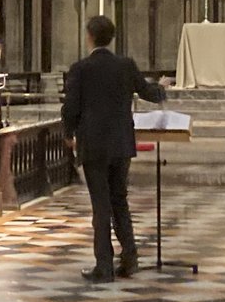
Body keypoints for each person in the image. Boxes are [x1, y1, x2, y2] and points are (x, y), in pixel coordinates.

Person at [61, 15, 167, 283]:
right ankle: (130, 259)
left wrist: (68, 134)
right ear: (112, 38)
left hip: (94, 144)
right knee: (120, 201)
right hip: (120, 144)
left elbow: (70, 107)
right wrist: (162, 89)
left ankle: (104, 266)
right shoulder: (125, 65)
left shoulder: (81, 69)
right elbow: (148, 92)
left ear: (90, 36)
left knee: (101, 205)